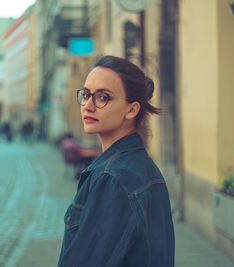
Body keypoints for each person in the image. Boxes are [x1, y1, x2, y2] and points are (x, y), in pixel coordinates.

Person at [58, 55, 175, 267]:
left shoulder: (111, 179)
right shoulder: (144, 168)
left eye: (103, 97)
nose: (88, 105)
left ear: (132, 109)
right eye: (86, 95)